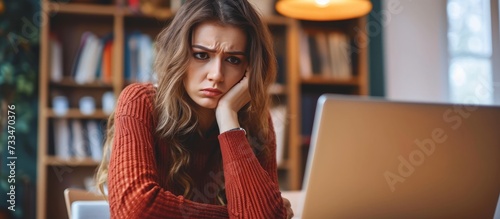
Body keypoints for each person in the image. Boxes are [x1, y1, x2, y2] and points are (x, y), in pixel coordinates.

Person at [95, 0, 294, 218]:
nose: (216, 74)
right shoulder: (140, 102)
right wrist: (238, 214)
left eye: (233, 60)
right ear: (178, 55)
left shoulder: (257, 121)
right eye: (201, 55)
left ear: (250, 68)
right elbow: (135, 210)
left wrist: (228, 118)